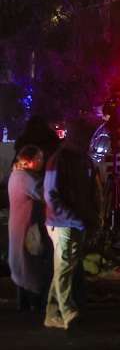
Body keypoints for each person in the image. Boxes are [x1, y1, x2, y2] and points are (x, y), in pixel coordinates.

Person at [43, 121, 101, 329]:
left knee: (64, 268)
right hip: (63, 223)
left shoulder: (82, 159)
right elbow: (51, 194)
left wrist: (91, 219)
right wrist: (77, 218)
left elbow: (90, 193)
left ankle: (53, 313)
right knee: (65, 266)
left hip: (73, 222)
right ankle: (68, 312)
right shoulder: (60, 160)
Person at [8, 145, 50, 312]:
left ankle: (25, 303)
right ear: (31, 161)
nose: (42, 162)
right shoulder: (25, 177)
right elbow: (43, 194)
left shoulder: (16, 175)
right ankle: (34, 304)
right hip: (27, 228)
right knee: (30, 266)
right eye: (39, 158)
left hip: (21, 226)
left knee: (22, 264)